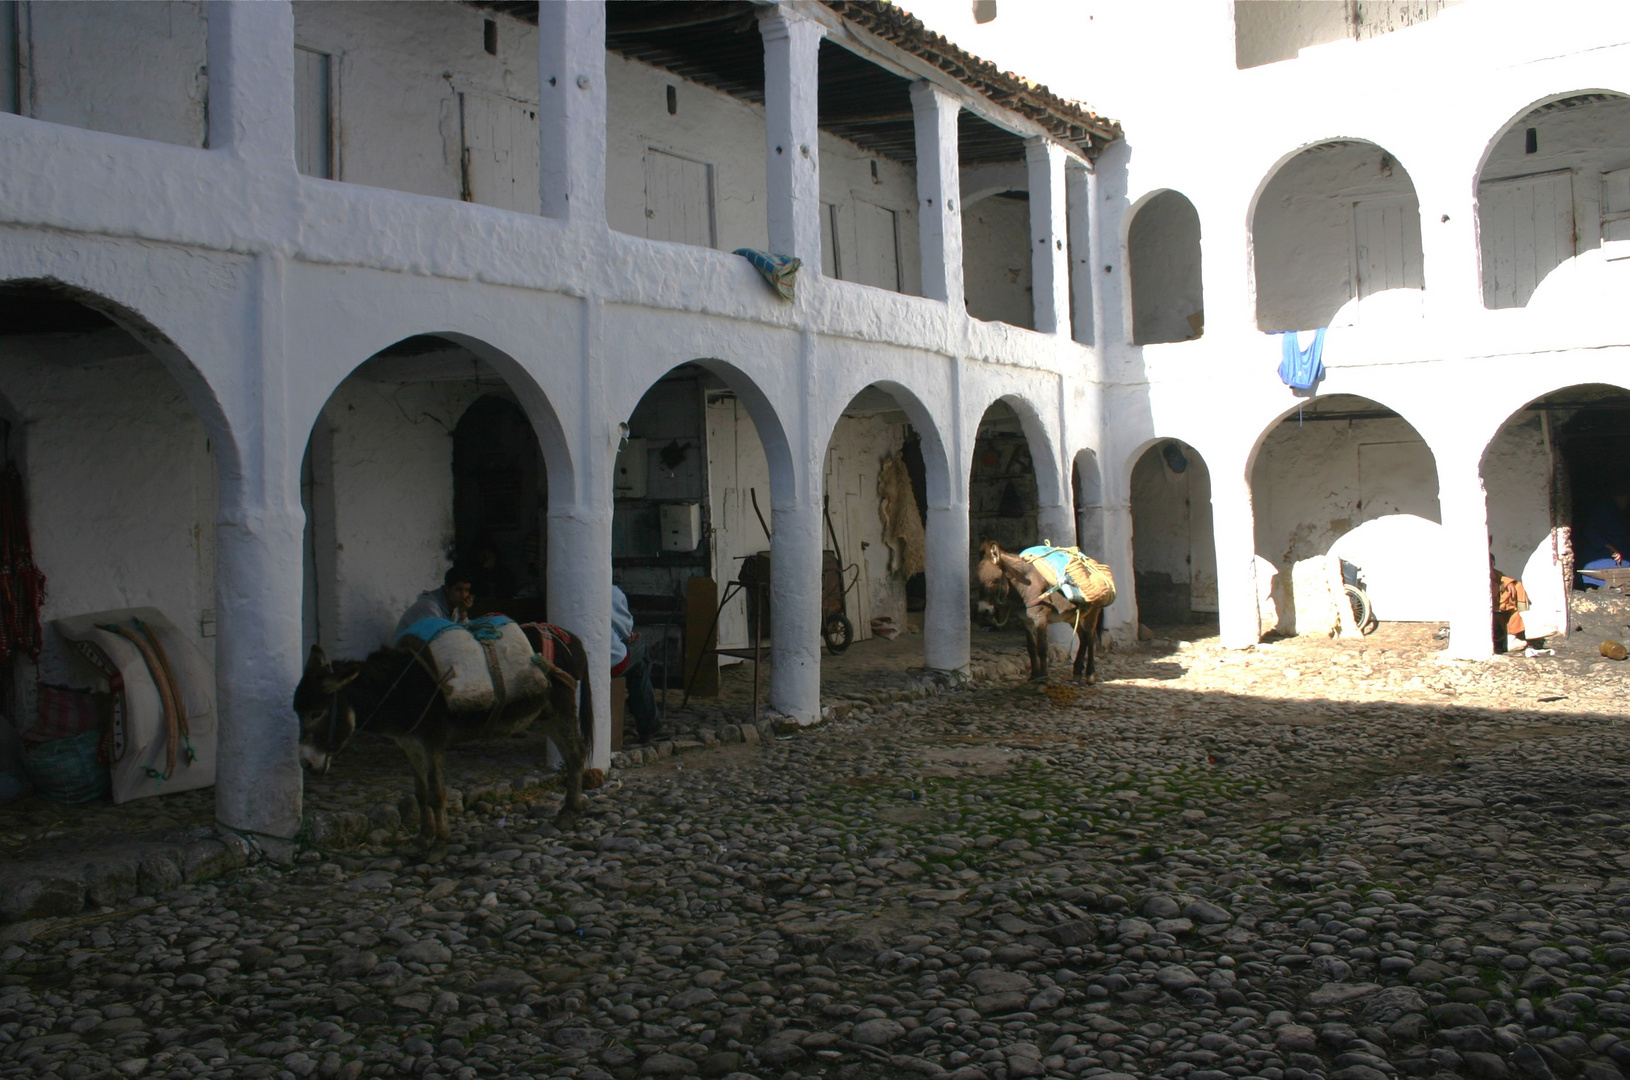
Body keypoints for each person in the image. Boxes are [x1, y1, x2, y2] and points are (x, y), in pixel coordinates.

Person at [610, 584, 658, 743]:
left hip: (580, 658)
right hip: (611, 661)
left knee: (638, 667)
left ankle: (639, 701)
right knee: (641, 652)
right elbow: (624, 627)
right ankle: (648, 724)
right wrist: (628, 636)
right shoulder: (611, 591)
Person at [392, 566, 474, 642]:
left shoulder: (454, 606)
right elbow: (438, 640)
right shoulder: (430, 607)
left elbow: (463, 636)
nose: (464, 596)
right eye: (458, 590)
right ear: (447, 588)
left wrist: (463, 614)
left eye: (467, 590)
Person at [1578, 493, 1629, 588]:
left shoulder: (1621, 515)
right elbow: (1590, 532)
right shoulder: (1602, 511)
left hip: (1622, 573)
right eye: (1625, 497)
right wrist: (1610, 547)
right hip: (1599, 571)